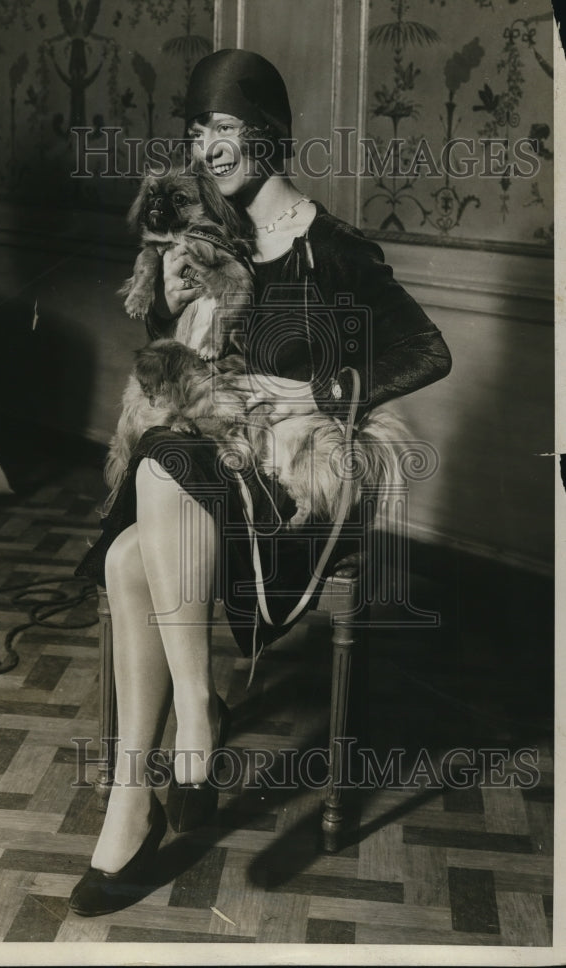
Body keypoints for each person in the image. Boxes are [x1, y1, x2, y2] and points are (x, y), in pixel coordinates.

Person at [70, 49, 451, 916]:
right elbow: (175, 377)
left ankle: (188, 737)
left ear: (268, 138)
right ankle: (145, 785)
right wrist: (172, 312)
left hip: (290, 497)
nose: (207, 149)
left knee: (151, 508)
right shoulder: (204, 245)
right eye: (198, 131)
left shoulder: (336, 249)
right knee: (142, 527)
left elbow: (429, 350)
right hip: (205, 482)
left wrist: (318, 392)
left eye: (227, 130)